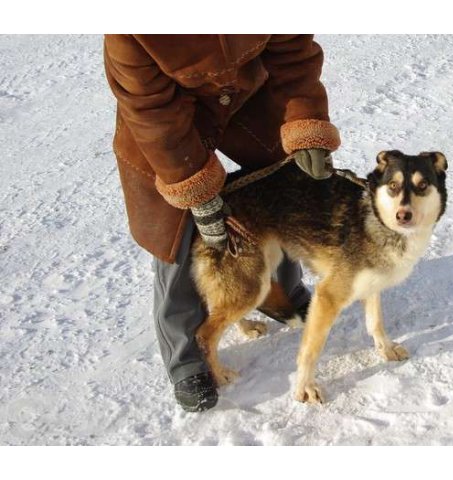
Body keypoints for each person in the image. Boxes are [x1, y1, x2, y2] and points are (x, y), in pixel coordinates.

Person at [103, 35, 341, 412]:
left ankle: (277, 291)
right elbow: (151, 110)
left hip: (246, 96)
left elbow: (293, 53)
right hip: (161, 126)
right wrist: (195, 188)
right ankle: (187, 354)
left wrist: (305, 122)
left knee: (278, 189)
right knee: (175, 231)